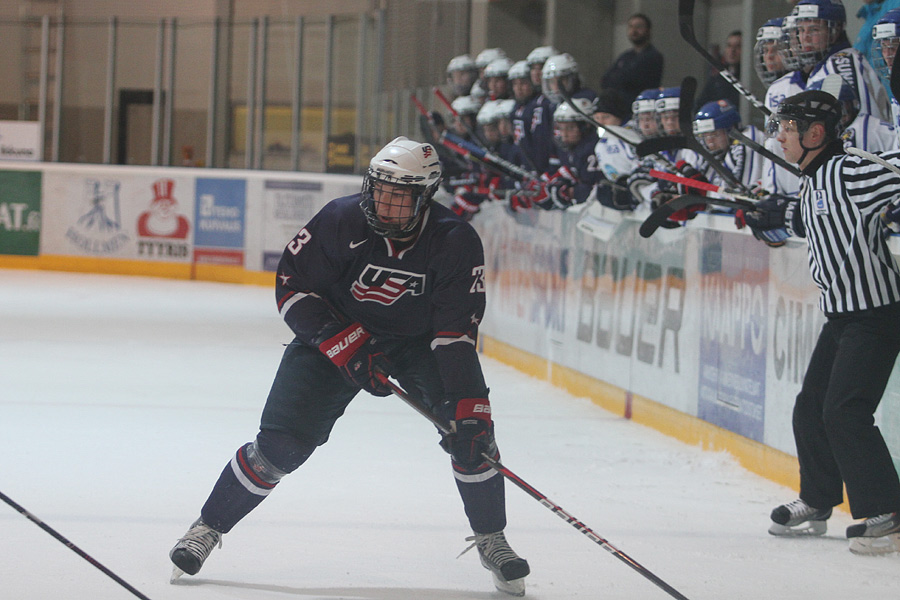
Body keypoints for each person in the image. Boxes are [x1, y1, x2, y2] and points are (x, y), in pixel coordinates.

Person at [168, 137, 531, 594]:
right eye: (380, 189)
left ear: (426, 196)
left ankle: (491, 537)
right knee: (281, 446)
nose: (384, 202)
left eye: (400, 195)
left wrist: (470, 406)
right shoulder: (340, 219)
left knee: (472, 435)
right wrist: (344, 345)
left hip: (417, 344)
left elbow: (455, 334)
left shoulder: (455, 241)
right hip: (335, 334)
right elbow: (292, 288)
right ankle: (207, 527)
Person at [743, 90, 900, 555]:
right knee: (810, 408)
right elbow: (805, 222)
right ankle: (818, 499)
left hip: (876, 315)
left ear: (816, 133)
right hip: (842, 317)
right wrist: (771, 220)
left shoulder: (850, 169)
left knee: (844, 411)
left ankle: (887, 511)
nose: (780, 136)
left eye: (788, 128)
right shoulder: (813, 178)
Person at [600, 13, 664, 105]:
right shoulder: (625, 56)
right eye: (631, 26)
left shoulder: (654, 56)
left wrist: (619, 78)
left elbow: (631, 80)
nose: (634, 30)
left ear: (648, 30)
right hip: (619, 106)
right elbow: (605, 80)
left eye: (639, 27)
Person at [697, 30, 743, 108]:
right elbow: (700, 105)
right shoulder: (717, 80)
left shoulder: (749, 79)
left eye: (738, 46)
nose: (732, 50)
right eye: (729, 46)